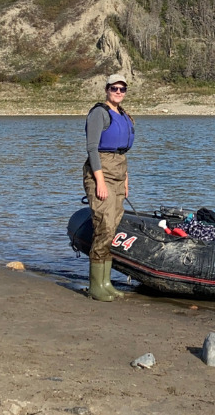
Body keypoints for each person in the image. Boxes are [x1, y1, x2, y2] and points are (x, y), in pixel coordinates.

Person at [83, 74, 135, 302]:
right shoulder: (99, 113)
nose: (118, 92)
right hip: (101, 171)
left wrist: (125, 179)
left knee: (113, 226)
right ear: (107, 89)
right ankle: (96, 286)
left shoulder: (123, 114)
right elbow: (92, 149)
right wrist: (100, 181)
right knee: (103, 225)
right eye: (114, 88)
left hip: (118, 170)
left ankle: (106, 283)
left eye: (122, 89)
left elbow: (121, 153)